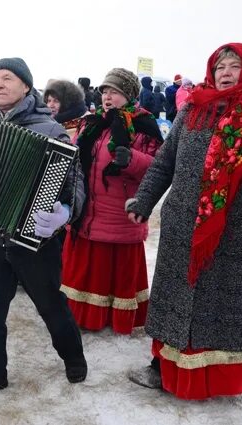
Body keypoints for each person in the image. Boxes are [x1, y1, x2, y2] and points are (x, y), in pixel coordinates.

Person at [126, 43, 242, 400]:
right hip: (183, 227)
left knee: (225, 310)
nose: (225, 73)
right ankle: (161, 369)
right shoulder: (193, 109)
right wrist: (145, 200)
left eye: (235, 66)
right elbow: (165, 161)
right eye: (219, 67)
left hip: (239, 236)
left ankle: (219, 380)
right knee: (176, 300)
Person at [0, 58, 87, 401]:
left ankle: (73, 355)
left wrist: (65, 213)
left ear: (27, 86)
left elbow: (75, 185)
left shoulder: (51, 130)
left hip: (35, 241)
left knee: (50, 305)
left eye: (6, 78)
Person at [60, 68, 163, 335]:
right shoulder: (91, 123)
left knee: (114, 269)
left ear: (128, 95)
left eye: (114, 92)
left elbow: (159, 169)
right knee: (86, 267)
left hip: (120, 213)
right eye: (105, 91)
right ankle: (81, 316)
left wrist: (132, 160)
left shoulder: (144, 126)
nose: (107, 96)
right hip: (88, 211)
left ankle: (112, 318)